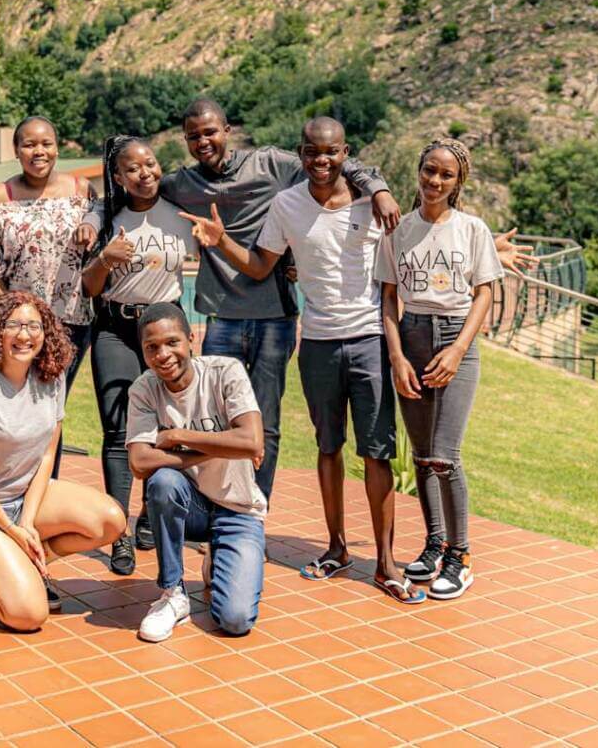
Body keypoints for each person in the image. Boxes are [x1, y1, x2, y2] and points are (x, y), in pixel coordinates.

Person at [79, 99, 401, 520]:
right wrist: (92, 213)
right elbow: (129, 192)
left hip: (275, 317)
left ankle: (252, 510)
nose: (203, 141)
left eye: (210, 131)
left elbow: (332, 159)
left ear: (227, 129)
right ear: (186, 141)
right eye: (194, 136)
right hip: (222, 318)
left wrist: (377, 188)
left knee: (263, 422)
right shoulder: (183, 184)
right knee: (210, 419)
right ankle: (209, 506)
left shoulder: (271, 164)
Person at [188, 117, 421, 602]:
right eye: (313, 152)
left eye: (331, 153)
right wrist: (221, 238)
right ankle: (336, 547)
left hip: (370, 341)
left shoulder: (373, 204)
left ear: (345, 152)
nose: (321, 161)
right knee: (328, 446)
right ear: (302, 152)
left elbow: (397, 279)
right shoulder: (287, 204)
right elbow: (260, 265)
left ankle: (384, 560)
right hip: (316, 341)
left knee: (377, 452)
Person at [0, 292, 125, 631]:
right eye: (14, 325)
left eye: (34, 326)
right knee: (28, 615)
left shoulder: (51, 377)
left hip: (23, 498)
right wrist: (11, 530)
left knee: (110, 522)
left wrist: (27, 522)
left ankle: (15, 560)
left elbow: (47, 455)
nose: (25, 335)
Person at [376, 138, 509, 601]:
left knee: (445, 456)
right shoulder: (399, 231)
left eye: (445, 175)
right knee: (420, 454)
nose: (434, 181)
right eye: (429, 170)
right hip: (410, 335)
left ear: (458, 182)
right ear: (419, 171)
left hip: (456, 335)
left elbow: (485, 293)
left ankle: (460, 556)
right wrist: (396, 357)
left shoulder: (471, 229)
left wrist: (456, 351)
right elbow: (389, 298)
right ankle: (434, 544)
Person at [80, 135, 195, 576]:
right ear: (118, 177)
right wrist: (105, 259)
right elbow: (90, 286)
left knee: (167, 423)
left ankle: (150, 512)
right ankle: (118, 534)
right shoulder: (107, 218)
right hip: (115, 328)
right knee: (117, 428)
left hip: (164, 328)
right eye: (133, 168)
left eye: (150, 164)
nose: (144, 173)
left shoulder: (178, 215)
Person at [127, 303, 267, 642]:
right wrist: (219, 446)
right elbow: (140, 463)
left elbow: (251, 440)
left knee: (235, 621)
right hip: (191, 506)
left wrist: (176, 437)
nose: (163, 354)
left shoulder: (225, 371)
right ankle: (172, 593)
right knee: (162, 483)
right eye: (152, 347)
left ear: (192, 339)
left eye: (172, 342)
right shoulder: (144, 390)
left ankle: (218, 555)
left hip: (238, 508)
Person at [0, 116, 96, 479]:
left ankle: (45, 494)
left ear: (57, 147)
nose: (38, 151)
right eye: (29, 144)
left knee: (51, 413)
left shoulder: (82, 191)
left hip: (70, 323)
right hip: (18, 330)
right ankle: (5, 490)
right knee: (13, 413)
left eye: (45, 143)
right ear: (16, 151)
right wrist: (15, 322)